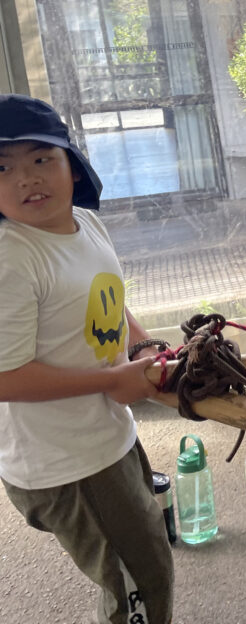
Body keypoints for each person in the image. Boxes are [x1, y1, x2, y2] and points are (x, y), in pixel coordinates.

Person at [0, 94, 173, 624]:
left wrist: (140, 345)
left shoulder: (85, 225)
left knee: (149, 561)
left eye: (40, 159)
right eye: (2, 167)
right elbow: (6, 377)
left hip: (105, 435)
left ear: (72, 167)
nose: (26, 178)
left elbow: (109, 302)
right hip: (63, 463)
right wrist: (112, 380)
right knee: (139, 588)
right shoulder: (12, 256)